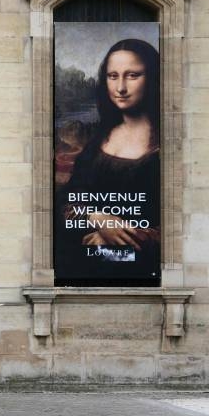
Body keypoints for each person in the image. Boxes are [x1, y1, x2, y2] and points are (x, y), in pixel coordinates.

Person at [58, 38, 160, 278]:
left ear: (153, 78)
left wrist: (109, 241)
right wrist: (97, 217)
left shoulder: (165, 145)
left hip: (141, 268)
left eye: (133, 75)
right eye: (113, 76)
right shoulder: (98, 139)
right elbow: (67, 200)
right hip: (81, 263)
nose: (120, 87)